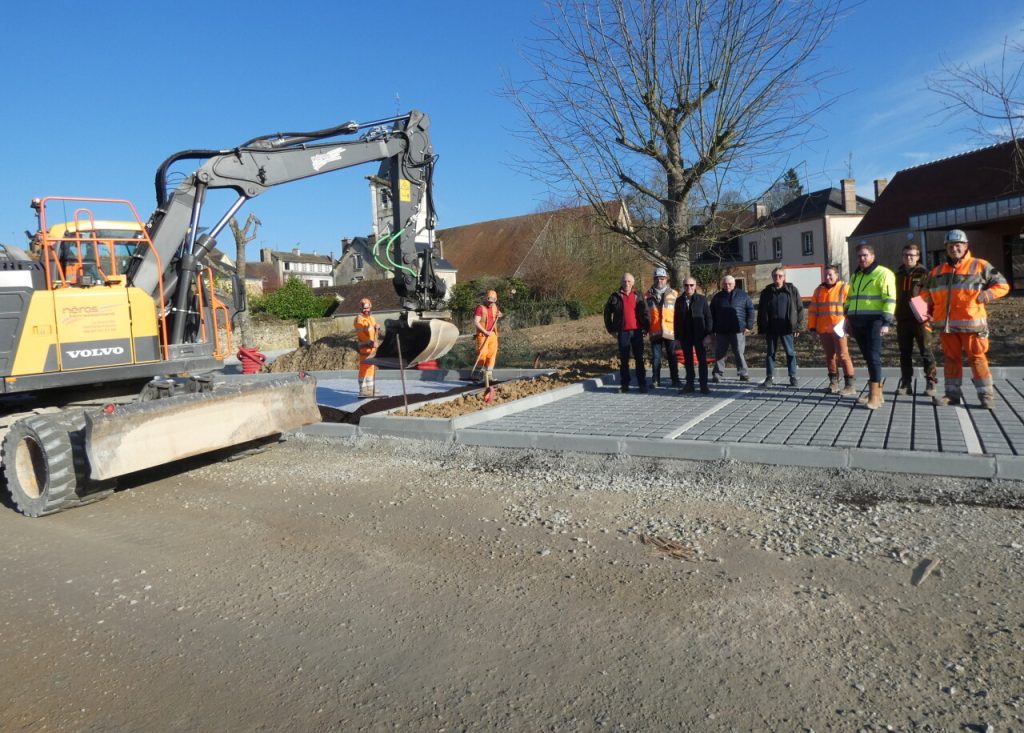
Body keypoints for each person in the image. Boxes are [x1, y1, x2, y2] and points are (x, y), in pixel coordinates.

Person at [920, 229, 1009, 409]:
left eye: (958, 245)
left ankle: (986, 396)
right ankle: (951, 395)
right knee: (951, 360)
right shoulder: (937, 272)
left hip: (973, 326)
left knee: (977, 359)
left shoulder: (980, 265)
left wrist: (987, 295)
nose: (954, 249)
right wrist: (926, 311)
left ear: (966, 246)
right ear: (946, 248)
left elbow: (1003, 285)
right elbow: (923, 294)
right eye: (950, 246)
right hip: (946, 327)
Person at [846, 243, 897, 410]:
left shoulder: (883, 273)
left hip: (875, 321)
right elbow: (850, 297)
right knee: (867, 356)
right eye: (859, 256)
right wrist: (847, 315)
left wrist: (886, 322)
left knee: (873, 356)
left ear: (873, 256)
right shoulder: (856, 275)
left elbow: (889, 299)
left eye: (865, 255)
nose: (862, 259)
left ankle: (875, 395)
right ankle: (876, 392)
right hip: (857, 321)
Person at [895, 239, 938, 396]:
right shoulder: (897, 275)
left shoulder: (925, 274)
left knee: (926, 351)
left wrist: (932, 313)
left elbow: (934, 295)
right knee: (904, 352)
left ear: (918, 257)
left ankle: (931, 382)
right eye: (906, 255)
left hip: (921, 319)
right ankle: (906, 383)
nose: (909, 258)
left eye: (912, 255)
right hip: (903, 319)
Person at [808, 265, 856, 396]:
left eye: (830, 274)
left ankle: (850, 385)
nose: (828, 277)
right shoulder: (819, 290)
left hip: (840, 329)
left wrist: (849, 326)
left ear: (837, 275)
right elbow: (813, 311)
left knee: (843, 355)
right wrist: (812, 328)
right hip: (824, 329)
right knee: (830, 356)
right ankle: (833, 383)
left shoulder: (844, 288)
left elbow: (851, 308)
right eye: (826, 275)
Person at [604, 272, 650, 393]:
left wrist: (646, 327)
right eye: (624, 281)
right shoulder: (615, 297)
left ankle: (642, 384)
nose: (626, 283)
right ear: (621, 282)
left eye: (629, 281)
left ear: (633, 283)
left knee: (639, 358)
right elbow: (607, 313)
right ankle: (625, 385)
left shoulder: (638, 295)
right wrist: (611, 329)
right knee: (624, 359)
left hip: (637, 331)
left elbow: (646, 312)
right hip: (623, 331)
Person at [756, 268, 803, 387]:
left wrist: (798, 327)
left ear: (784, 277)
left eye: (780, 276)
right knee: (770, 353)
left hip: (787, 328)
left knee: (790, 353)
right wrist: (761, 328)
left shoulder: (792, 290)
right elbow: (761, 311)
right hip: (771, 328)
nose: (777, 278)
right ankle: (769, 377)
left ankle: (792, 376)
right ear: (772, 277)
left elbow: (799, 309)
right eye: (775, 276)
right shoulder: (766, 292)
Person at [709, 274, 754, 382]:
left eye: (730, 284)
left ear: (734, 284)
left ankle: (743, 373)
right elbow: (711, 314)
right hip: (721, 330)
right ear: (722, 285)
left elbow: (750, 310)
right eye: (725, 284)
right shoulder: (717, 297)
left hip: (738, 329)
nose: (727, 286)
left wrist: (749, 326)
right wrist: (712, 329)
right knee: (720, 353)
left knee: (739, 352)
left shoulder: (743, 295)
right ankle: (717, 374)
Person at [675, 277, 714, 394]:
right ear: (683, 286)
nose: (689, 287)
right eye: (686, 285)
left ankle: (703, 385)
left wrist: (708, 334)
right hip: (685, 336)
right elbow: (676, 320)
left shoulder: (701, 299)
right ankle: (689, 385)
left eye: (691, 285)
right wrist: (677, 337)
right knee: (688, 361)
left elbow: (708, 317)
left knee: (702, 360)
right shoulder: (679, 301)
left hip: (700, 335)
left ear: (695, 286)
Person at [644, 267, 681, 387]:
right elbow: (644, 315)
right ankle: (655, 380)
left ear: (666, 279)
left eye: (662, 278)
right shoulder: (646, 296)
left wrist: (679, 331)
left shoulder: (674, 294)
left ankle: (675, 380)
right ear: (653, 279)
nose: (659, 281)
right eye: (657, 278)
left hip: (670, 331)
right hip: (655, 331)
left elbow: (679, 315)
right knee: (656, 357)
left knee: (672, 356)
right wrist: (645, 328)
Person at [473, 289, 503, 388]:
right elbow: (476, 322)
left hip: (493, 334)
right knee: (482, 354)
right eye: (489, 301)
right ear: (486, 299)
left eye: (493, 301)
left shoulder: (494, 307)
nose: (491, 303)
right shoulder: (480, 308)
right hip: (483, 335)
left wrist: (500, 314)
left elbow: (499, 314)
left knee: (492, 355)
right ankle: (480, 376)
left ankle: (489, 376)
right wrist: (485, 331)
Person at [354, 297, 380, 397]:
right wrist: (370, 342)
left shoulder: (371, 318)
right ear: (361, 308)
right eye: (365, 308)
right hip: (365, 347)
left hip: (372, 348)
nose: (366, 310)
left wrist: (377, 328)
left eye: (368, 308)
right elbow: (361, 335)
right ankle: (363, 389)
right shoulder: (359, 319)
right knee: (364, 367)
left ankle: (370, 388)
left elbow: (374, 332)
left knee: (371, 367)